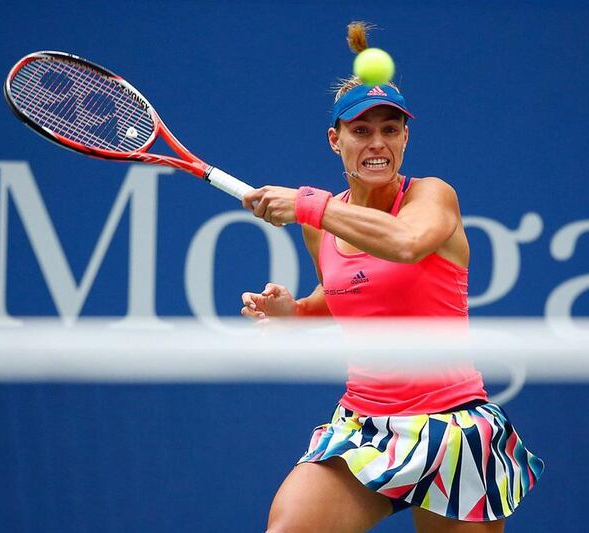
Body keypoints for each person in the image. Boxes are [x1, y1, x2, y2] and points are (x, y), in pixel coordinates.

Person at [240, 24, 542, 533]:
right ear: (335, 141)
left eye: (390, 129)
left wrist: (308, 205)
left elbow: (404, 244)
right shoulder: (323, 225)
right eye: (361, 131)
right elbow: (349, 298)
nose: (377, 143)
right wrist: (296, 312)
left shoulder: (433, 196)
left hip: (451, 428)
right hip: (365, 427)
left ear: (406, 137)